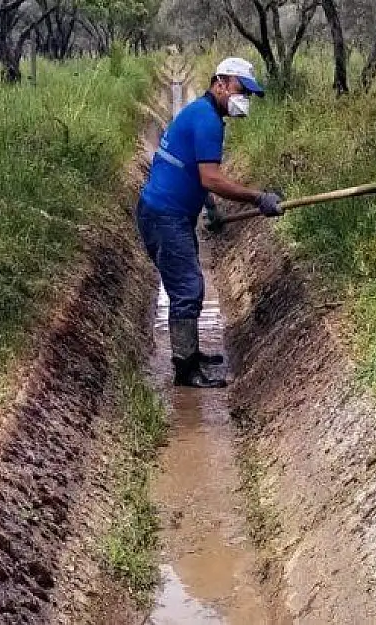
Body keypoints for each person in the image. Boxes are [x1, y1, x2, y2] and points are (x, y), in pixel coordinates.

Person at [136, 57, 283, 388]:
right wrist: (259, 198)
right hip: (165, 216)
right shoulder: (207, 121)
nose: (243, 97)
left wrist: (211, 208)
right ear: (221, 83)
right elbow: (211, 178)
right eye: (241, 89)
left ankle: (191, 354)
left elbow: (192, 172)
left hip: (170, 212)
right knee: (187, 289)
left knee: (189, 286)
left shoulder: (203, 114)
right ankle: (186, 370)